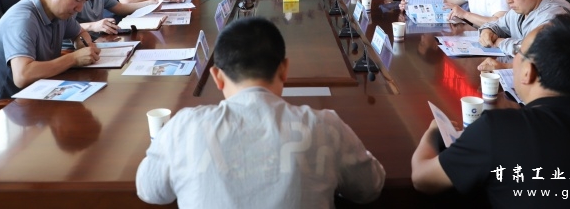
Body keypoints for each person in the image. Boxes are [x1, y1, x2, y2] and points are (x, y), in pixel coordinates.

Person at [411, 15, 570, 208]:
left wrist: (434, 132)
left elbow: (423, 179)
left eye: (519, 53)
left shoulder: (498, 129)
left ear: (527, 72)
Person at [135, 17, 385, 207]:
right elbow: (369, 188)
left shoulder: (184, 127)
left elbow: (151, 191)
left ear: (217, 77)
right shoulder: (325, 126)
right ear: (284, 70)